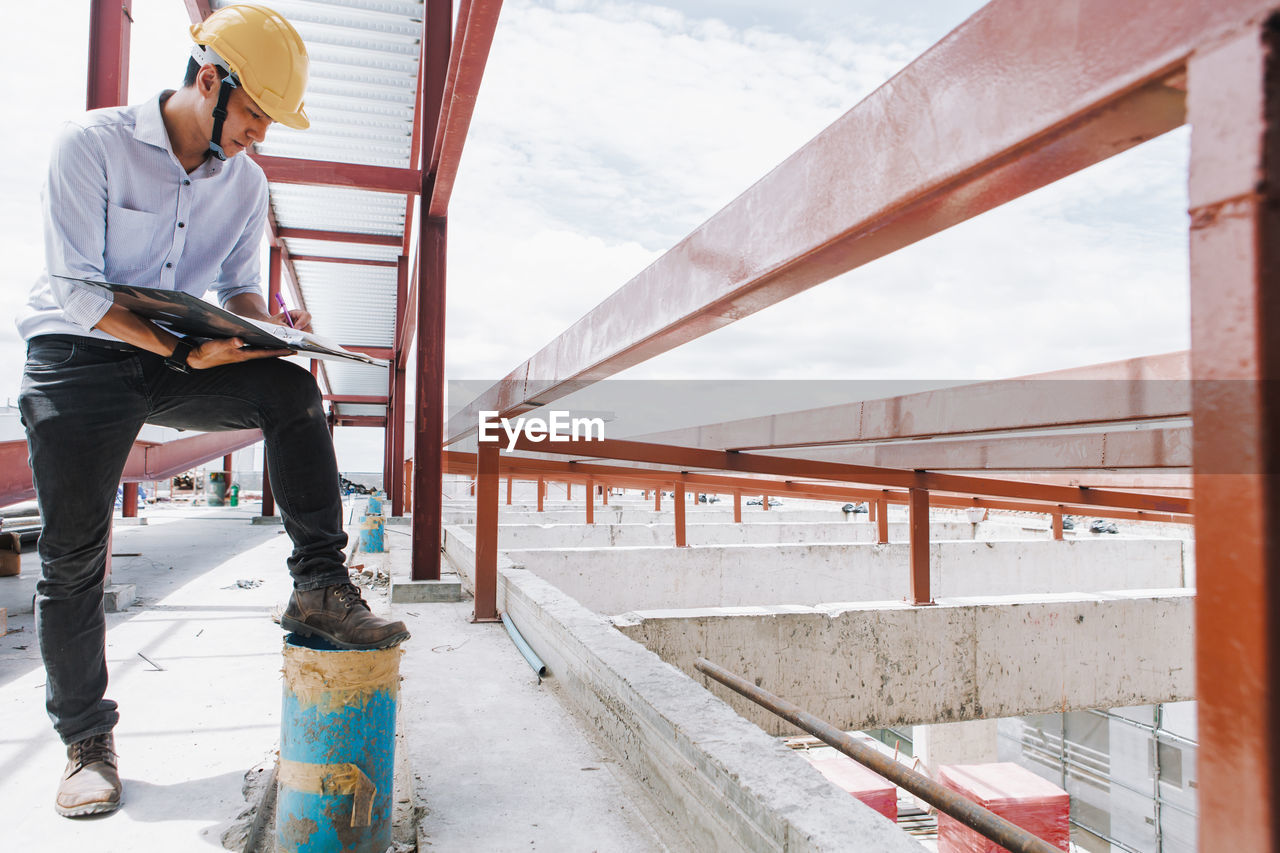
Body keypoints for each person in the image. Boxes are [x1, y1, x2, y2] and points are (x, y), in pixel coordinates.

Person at [16, 4, 409, 818]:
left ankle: (320, 584)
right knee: (73, 559)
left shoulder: (247, 183)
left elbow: (235, 285)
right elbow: (78, 291)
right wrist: (184, 352)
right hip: (80, 353)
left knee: (291, 390)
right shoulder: (91, 145)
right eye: (256, 114)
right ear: (208, 79)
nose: (259, 136)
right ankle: (87, 739)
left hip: (168, 349)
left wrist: (266, 324)